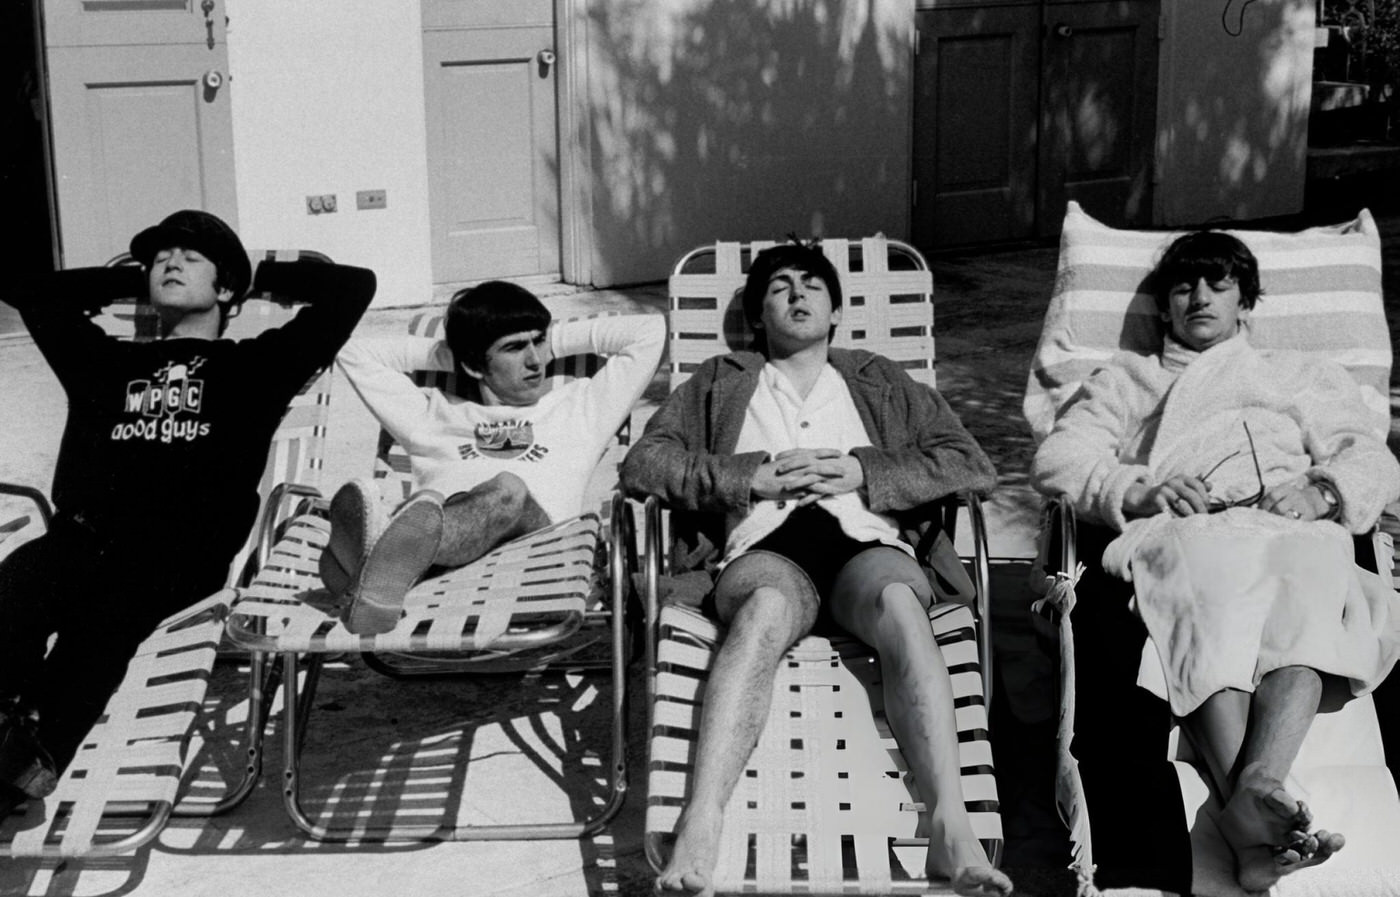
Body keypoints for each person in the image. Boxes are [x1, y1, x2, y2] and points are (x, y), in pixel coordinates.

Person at [619, 241, 1013, 897]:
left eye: (812, 285)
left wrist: (867, 470)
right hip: (764, 546)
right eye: (779, 286)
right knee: (765, 609)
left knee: (900, 601)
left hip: (866, 539)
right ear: (758, 314)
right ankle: (702, 819)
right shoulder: (719, 379)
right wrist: (750, 476)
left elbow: (972, 465)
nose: (798, 294)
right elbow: (645, 464)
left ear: (835, 311)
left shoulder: (880, 378)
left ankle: (950, 821)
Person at [1031, 230, 1400, 891]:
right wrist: (1136, 488)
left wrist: (1322, 488)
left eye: (1218, 283)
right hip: (1188, 527)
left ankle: (1252, 792)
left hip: (1291, 526)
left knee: (1308, 605)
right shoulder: (1130, 379)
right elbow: (1062, 459)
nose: (1199, 296)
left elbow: (1370, 457)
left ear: (1245, 303)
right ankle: (1255, 798)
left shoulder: (1301, 375)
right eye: (1182, 285)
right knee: (1215, 605)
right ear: (1165, 308)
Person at [0, 209, 377, 815]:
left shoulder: (256, 367)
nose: (169, 262)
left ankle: (28, 758)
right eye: (159, 258)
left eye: (190, 257)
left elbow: (353, 287)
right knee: (17, 581)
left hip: (174, 554)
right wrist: (131, 283)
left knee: (102, 629)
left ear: (227, 288)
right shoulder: (102, 363)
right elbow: (26, 290)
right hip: (80, 538)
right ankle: (15, 737)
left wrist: (261, 274)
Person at [322, 280, 665, 634]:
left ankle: (370, 563)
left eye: (538, 341)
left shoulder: (582, 407)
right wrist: (463, 352)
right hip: (440, 570)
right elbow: (353, 352)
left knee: (508, 490)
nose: (535, 361)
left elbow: (649, 330)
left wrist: (547, 340)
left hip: (540, 559)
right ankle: (384, 576)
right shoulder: (433, 414)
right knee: (400, 498)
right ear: (472, 365)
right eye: (515, 347)